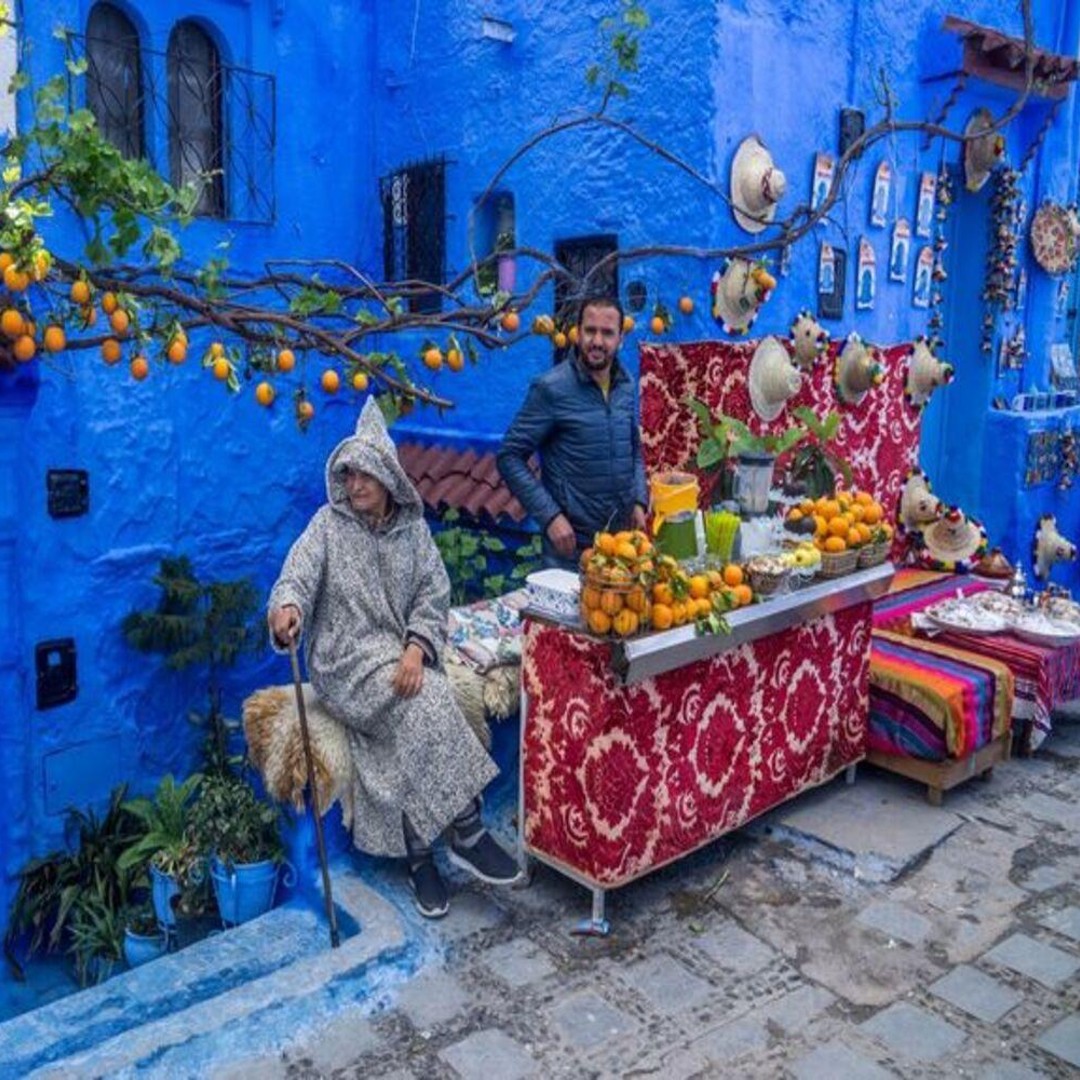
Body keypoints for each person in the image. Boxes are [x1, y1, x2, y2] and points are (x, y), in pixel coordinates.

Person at [267, 398, 519, 919]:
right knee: (425, 701)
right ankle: (467, 829)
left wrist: (415, 647)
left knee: (419, 711)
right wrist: (286, 608)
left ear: (387, 478)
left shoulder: (414, 533)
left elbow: (433, 593)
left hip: (396, 655)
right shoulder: (327, 526)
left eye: (365, 474)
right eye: (348, 473)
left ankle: (420, 859)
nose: (355, 484)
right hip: (344, 663)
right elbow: (297, 574)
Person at [496, 295, 649, 569]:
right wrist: (550, 516)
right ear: (577, 333)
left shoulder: (625, 385)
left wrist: (639, 499)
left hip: (621, 547)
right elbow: (509, 456)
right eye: (590, 331)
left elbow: (634, 447)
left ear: (621, 338)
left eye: (607, 333)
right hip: (571, 549)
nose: (597, 341)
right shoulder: (551, 388)